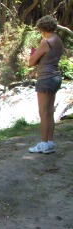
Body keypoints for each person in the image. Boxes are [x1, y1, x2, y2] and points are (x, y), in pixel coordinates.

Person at [28, 15, 64, 154]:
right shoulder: (58, 40)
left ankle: (43, 144)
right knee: (50, 112)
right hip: (56, 77)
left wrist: (32, 55)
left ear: (42, 28)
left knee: (43, 113)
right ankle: (49, 142)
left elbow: (31, 62)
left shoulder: (46, 42)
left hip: (45, 78)